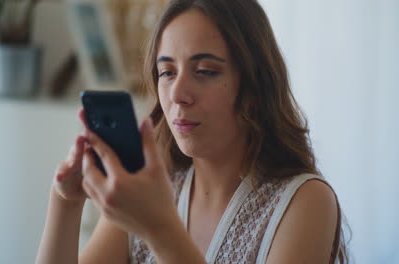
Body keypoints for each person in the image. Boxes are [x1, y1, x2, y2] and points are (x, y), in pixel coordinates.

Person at [36, 0, 349, 263]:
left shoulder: (305, 201)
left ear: (254, 88)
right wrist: (66, 201)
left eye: (205, 72)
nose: (177, 93)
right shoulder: (155, 184)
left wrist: (160, 230)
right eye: (167, 72)